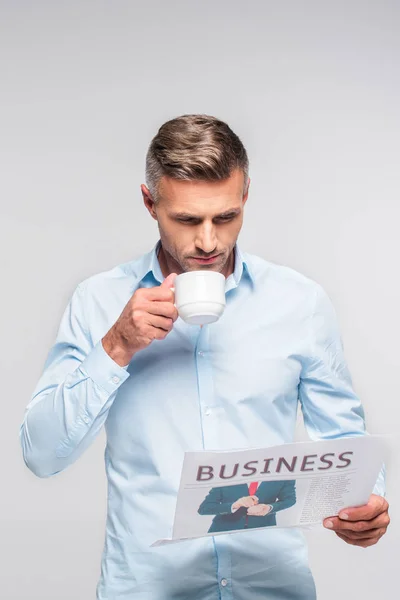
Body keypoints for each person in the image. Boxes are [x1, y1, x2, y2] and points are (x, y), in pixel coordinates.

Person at [19, 114, 390, 600]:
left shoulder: (301, 302)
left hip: (273, 588)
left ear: (246, 196)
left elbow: (344, 440)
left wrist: (368, 502)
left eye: (226, 216)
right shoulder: (98, 301)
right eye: (188, 219)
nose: (209, 242)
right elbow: (41, 454)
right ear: (150, 203)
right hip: (147, 588)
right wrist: (116, 347)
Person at [198, 480, 296, 532]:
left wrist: (269, 508)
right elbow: (204, 508)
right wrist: (235, 505)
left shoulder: (283, 473)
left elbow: (289, 499)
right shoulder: (226, 473)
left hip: (262, 533)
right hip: (224, 532)